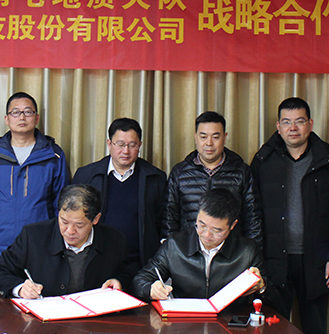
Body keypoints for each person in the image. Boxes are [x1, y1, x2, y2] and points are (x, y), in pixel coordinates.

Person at [250, 97, 329, 334]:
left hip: (317, 261)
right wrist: (255, 259)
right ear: (278, 127)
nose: (293, 128)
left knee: (315, 327)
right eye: (286, 122)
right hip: (274, 260)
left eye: (299, 121)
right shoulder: (263, 161)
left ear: (310, 124)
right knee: (273, 328)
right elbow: (253, 212)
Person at [0, 91, 69, 280]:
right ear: (7, 119)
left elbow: (62, 204)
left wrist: (60, 244)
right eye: (16, 112)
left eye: (28, 112)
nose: (22, 117)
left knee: (38, 298)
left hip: (41, 247)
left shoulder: (54, 156)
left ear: (37, 118)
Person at [0, 184, 129, 298]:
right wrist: (20, 288)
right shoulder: (34, 236)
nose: (70, 231)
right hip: (43, 319)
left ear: (95, 219)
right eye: (64, 221)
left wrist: (118, 282)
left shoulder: (114, 240)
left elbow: (126, 274)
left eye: (79, 225)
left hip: (93, 319)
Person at [132, 188, 270, 305]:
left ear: (232, 225)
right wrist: (150, 289)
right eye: (202, 225)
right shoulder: (175, 245)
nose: (207, 234)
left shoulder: (247, 251)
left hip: (230, 321)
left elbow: (273, 299)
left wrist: (261, 287)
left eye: (217, 230)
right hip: (186, 319)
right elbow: (140, 280)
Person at [72, 117, 166, 278]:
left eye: (132, 145)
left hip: (140, 263)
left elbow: (161, 221)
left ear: (140, 145)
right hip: (96, 261)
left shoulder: (155, 178)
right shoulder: (86, 175)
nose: (126, 151)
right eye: (120, 144)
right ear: (109, 144)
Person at [162, 111, 262, 245]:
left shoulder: (242, 172)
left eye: (215, 137)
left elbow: (253, 218)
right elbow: (169, 217)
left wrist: (253, 252)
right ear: (195, 137)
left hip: (231, 251)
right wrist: (172, 250)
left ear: (225, 138)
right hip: (189, 250)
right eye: (203, 137)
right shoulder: (179, 172)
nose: (209, 143)